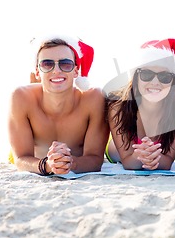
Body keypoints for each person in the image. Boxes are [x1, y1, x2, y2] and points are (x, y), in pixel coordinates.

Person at [8, 35, 109, 175]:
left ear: (76, 71)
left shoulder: (94, 98)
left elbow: (95, 159)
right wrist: (47, 165)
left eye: (65, 64)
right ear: (37, 72)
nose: (56, 70)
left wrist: (71, 163)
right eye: (47, 64)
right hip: (37, 161)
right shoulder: (21, 97)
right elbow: (20, 159)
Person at [104, 38, 175, 170]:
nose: (155, 82)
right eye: (147, 74)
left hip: (163, 147)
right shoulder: (117, 105)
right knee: (115, 152)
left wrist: (151, 157)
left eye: (164, 77)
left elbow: (166, 163)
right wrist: (141, 155)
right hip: (126, 147)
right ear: (135, 77)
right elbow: (128, 162)